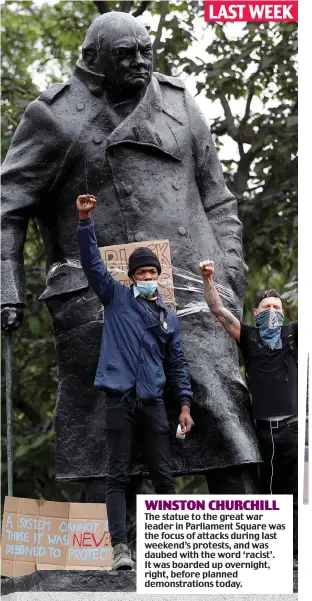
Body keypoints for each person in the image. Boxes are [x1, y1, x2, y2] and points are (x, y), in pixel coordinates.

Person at [1, 10, 261, 515]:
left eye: (147, 51)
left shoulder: (181, 106)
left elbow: (219, 202)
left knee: (220, 409)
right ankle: (112, 556)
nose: (141, 61)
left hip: (194, 285)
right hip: (100, 294)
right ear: (93, 59)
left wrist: (229, 275)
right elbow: (7, 206)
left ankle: (247, 548)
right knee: (109, 428)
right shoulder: (55, 116)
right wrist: (7, 288)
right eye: (126, 54)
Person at [76, 193, 194, 569]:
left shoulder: (169, 317)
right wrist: (84, 222)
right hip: (119, 398)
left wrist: (186, 405)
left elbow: (176, 363)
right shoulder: (115, 298)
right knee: (118, 474)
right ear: (131, 278)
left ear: (159, 277)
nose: (147, 278)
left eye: (152, 273)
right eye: (141, 274)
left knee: (164, 475)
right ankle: (121, 551)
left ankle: (170, 551)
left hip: (154, 402)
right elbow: (93, 264)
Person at [199, 259, 298, 568]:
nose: (272, 311)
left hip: (294, 430)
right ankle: (277, 556)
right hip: (265, 432)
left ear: (284, 314)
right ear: (257, 313)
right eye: (266, 307)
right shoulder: (251, 338)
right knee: (270, 496)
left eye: (277, 308)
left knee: (294, 494)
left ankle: (296, 553)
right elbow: (219, 312)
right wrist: (208, 279)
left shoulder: (294, 336)